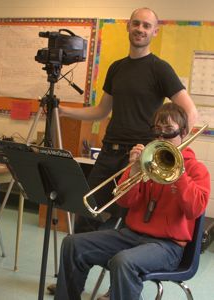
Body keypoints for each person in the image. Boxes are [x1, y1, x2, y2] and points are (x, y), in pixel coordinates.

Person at [59, 7, 198, 233]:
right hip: (109, 153)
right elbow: (101, 111)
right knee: (86, 214)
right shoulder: (116, 68)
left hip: (139, 155)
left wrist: (169, 151)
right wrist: (64, 111)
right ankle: (77, 263)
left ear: (155, 32)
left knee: (123, 222)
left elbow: (191, 113)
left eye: (146, 26)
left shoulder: (160, 69)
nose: (140, 29)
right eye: (136, 24)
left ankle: (115, 266)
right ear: (128, 26)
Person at [54, 102, 210, 300]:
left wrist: (179, 174)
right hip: (131, 236)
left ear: (184, 133)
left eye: (169, 131)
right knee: (72, 244)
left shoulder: (197, 170)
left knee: (123, 262)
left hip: (167, 247)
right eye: (158, 131)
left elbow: (195, 210)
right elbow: (125, 202)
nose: (162, 138)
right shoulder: (148, 161)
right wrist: (134, 170)